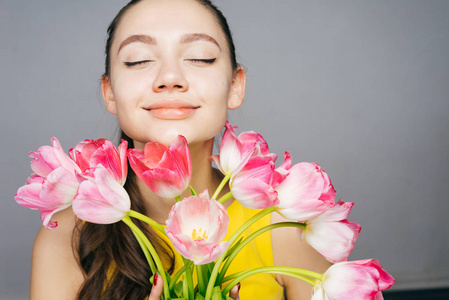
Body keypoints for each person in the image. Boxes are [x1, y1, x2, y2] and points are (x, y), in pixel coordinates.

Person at [30, 0, 331, 299]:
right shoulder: (67, 235)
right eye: (138, 60)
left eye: (200, 58)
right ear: (109, 93)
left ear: (235, 86)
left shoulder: (284, 229)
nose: (170, 79)